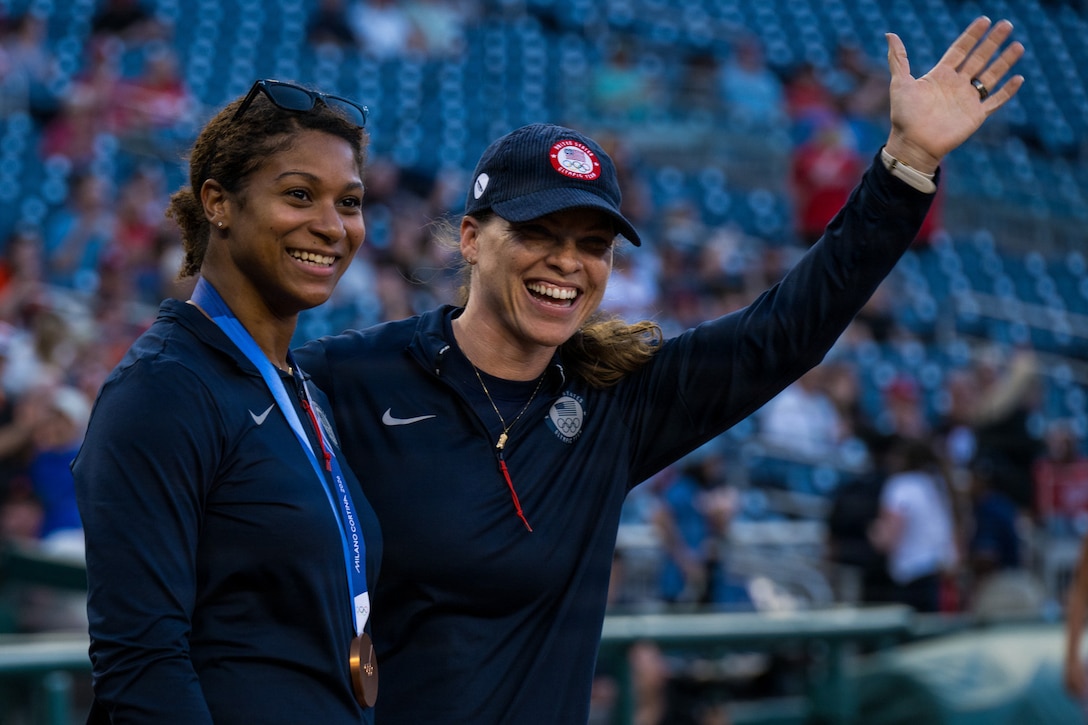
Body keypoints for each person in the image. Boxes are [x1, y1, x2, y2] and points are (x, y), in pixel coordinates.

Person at [294, 17, 1023, 723]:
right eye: (540, 233)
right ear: (472, 239)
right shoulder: (350, 377)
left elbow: (786, 332)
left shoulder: (615, 404)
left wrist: (905, 168)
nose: (568, 263)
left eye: (594, 243)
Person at [73, 79, 381, 723]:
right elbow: (142, 666)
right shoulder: (160, 392)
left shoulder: (301, 388)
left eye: (348, 203)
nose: (331, 226)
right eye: (299, 195)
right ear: (218, 203)